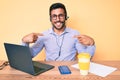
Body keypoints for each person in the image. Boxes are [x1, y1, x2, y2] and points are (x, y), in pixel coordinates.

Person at [22, 3, 96, 61]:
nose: (58, 19)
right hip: (50, 70)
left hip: (70, 71)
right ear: (50, 18)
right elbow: (29, 56)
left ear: (66, 17)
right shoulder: (44, 35)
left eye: (61, 15)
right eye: (54, 16)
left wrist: (91, 44)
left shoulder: (75, 34)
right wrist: (25, 42)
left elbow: (85, 58)